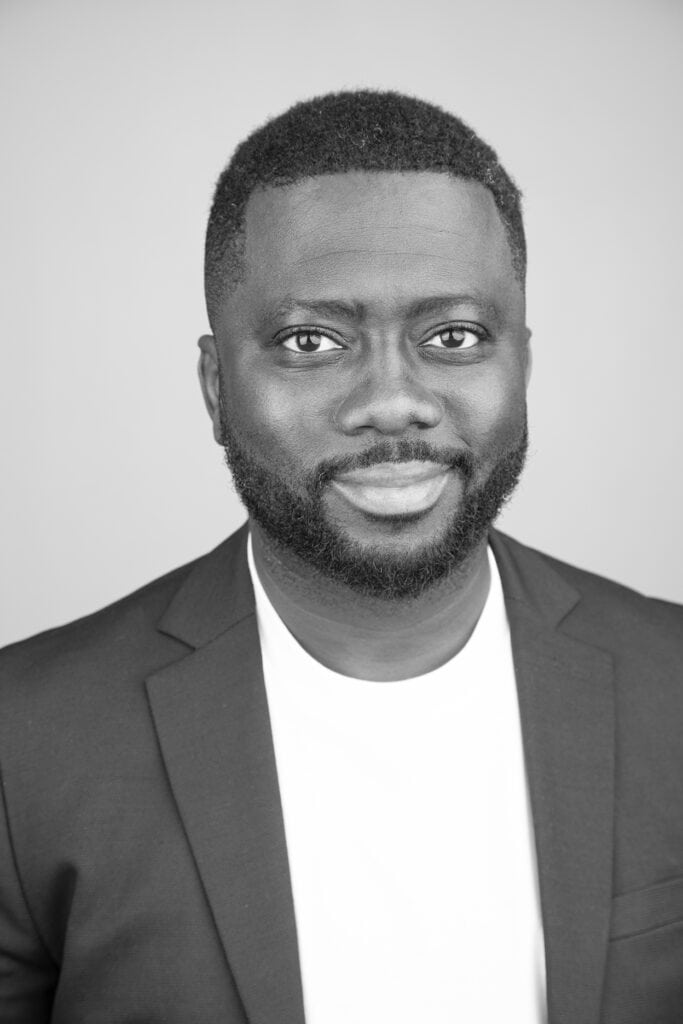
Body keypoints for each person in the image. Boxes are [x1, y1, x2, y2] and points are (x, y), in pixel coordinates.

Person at [0, 90, 681, 1024]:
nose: (392, 402)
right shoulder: (24, 742)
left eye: (453, 336)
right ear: (214, 386)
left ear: (521, 362)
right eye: (311, 341)